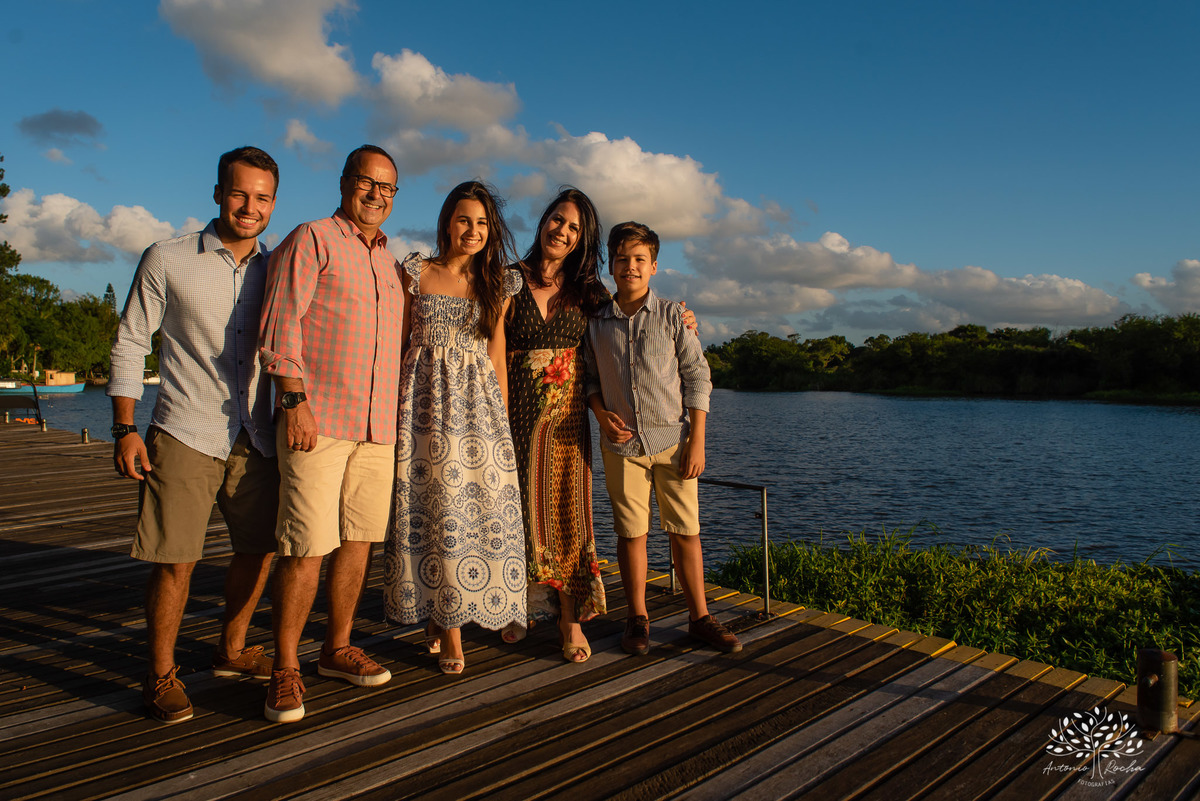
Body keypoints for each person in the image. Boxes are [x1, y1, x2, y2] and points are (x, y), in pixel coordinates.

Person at [109, 146, 281, 723]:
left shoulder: (280, 267)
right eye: (238, 193)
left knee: (259, 551)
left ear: (274, 203)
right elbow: (132, 339)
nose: (248, 207)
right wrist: (125, 426)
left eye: (261, 197)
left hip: (256, 431)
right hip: (184, 426)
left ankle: (231, 649)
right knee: (175, 560)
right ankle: (160, 674)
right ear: (217, 194)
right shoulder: (167, 257)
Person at [258, 144, 405, 723]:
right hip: (317, 423)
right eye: (368, 183)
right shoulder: (313, 238)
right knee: (304, 547)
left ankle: (336, 648)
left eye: (388, 188)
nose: (377, 195)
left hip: (377, 429)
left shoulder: (394, 266)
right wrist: (293, 400)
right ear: (345, 182)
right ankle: (285, 668)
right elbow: (280, 324)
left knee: (359, 542)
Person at [383, 180, 526, 676]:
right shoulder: (416, 272)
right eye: (465, 219)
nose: (473, 231)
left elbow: (497, 354)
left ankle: (450, 612)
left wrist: (501, 426)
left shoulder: (497, 283)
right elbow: (400, 342)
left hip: (478, 411)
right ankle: (447, 628)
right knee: (433, 510)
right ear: (447, 221)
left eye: (483, 223)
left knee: (476, 515)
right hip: (423, 406)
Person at [584, 222, 741, 657]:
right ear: (610, 265)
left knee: (685, 530)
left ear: (653, 266)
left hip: (674, 442)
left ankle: (699, 618)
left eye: (639, 259)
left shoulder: (674, 316)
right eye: (621, 259)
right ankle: (638, 618)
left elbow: (698, 377)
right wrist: (600, 414)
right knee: (632, 533)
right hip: (621, 448)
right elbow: (590, 380)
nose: (630, 266)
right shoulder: (596, 322)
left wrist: (698, 441)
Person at [503, 188, 609, 662]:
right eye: (556, 220)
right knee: (512, 512)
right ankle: (514, 608)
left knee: (566, 516)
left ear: (581, 240)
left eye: (573, 228)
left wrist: (680, 320)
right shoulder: (505, 278)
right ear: (542, 220)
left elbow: (626, 328)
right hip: (512, 413)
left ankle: (569, 621)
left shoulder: (589, 292)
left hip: (567, 423)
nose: (561, 232)